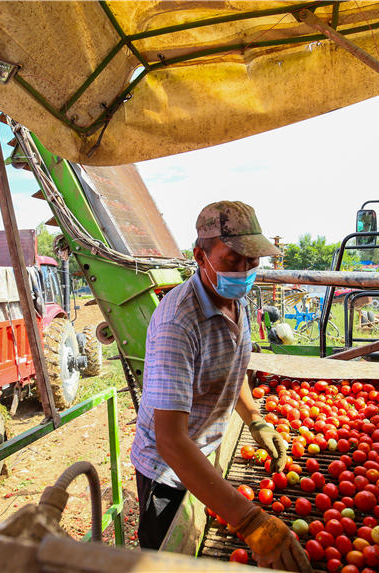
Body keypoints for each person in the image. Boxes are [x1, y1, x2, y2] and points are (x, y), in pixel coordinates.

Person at [130, 201, 312, 572]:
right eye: (233, 260)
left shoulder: (234, 300)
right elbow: (170, 439)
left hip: (205, 451)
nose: (244, 271)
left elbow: (233, 367)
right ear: (200, 256)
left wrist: (255, 419)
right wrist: (249, 520)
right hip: (168, 472)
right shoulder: (177, 324)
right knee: (168, 561)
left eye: (252, 262)